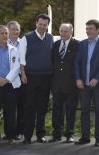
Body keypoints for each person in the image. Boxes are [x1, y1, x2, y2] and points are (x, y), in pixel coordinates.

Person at [19, 13, 53, 144]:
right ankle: (27, 136)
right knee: (29, 108)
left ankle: (40, 135)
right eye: (40, 24)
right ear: (36, 23)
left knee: (42, 108)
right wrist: (23, 74)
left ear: (47, 26)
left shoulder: (50, 38)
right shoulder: (27, 38)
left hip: (46, 77)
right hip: (30, 77)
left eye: (45, 25)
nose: (42, 27)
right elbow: (22, 58)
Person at [74, 19, 99, 147]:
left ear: (98, 29)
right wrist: (78, 78)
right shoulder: (82, 44)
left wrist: (97, 78)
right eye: (87, 28)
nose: (88, 31)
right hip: (83, 84)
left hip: (98, 85)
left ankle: (98, 138)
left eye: (90, 28)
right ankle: (85, 137)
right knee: (84, 111)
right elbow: (77, 62)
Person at [49, 23, 79, 143]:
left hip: (71, 84)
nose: (62, 33)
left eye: (65, 31)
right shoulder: (56, 45)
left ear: (71, 32)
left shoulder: (77, 45)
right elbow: (53, 62)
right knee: (57, 110)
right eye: (61, 31)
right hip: (56, 84)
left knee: (70, 110)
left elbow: (79, 64)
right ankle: (57, 134)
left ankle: (70, 134)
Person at [7, 21, 24, 140]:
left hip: (21, 79)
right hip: (7, 80)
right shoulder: (2, 43)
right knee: (9, 107)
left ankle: (18, 131)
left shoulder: (24, 43)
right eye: (12, 29)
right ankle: (9, 132)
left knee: (21, 107)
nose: (15, 32)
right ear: (8, 31)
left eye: (17, 29)